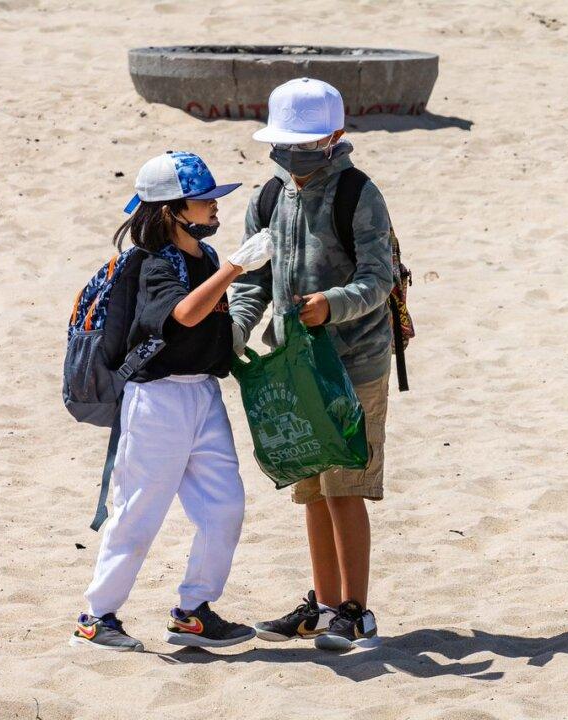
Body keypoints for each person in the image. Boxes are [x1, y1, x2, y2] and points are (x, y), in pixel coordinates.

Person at [72, 151, 274, 651]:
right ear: (171, 210)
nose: (214, 207)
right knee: (138, 514)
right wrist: (234, 268)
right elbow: (182, 315)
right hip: (156, 401)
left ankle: (193, 612)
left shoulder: (202, 259)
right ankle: (96, 618)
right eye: (203, 200)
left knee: (224, 507)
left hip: (202, 394)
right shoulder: (152, 264)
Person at [229, 79, 394, 650]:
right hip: (293, 365)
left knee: (345, 486)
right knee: (312, 490)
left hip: (355, 363)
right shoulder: (267, 198)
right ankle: (322, 607)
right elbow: (251, 280)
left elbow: (379, 279)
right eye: (285, 145)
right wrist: (234, 331)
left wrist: (331, 306)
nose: (292, 157)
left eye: (305, 145)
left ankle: (356, 611)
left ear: (336, 137)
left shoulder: (359, 194)